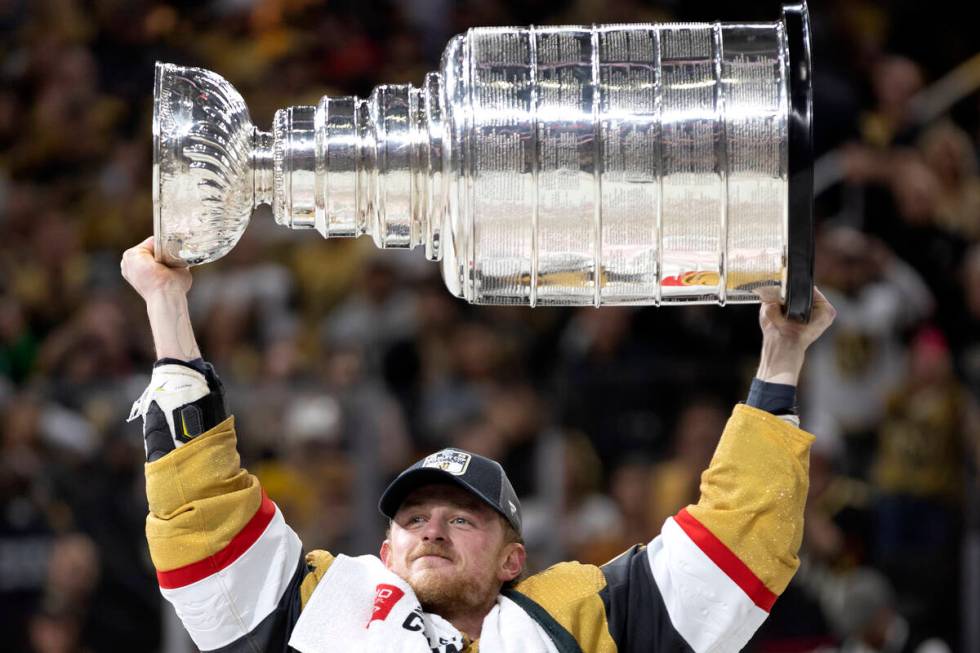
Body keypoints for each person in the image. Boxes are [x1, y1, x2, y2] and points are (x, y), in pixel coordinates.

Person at [120, 236, 836, 653]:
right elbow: (203, 529)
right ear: (387, 548)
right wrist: (165, 305)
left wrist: (781, 354)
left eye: (463, 518)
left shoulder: (573, 618)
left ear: (512, 559)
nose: (432, 526)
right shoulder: (331, 600)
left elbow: (733, 553)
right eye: (414, 518)